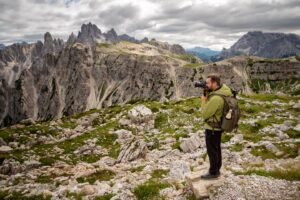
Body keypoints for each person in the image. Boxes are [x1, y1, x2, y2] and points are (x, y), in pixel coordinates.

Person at [200, 74, 233, 179]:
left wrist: (203, 101)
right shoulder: (223, 92)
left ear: (214, 83)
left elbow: (205, 114)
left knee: (212, 151)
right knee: (216, 148)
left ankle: (213, 172)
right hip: (218, 127)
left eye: (208, 83)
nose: (206, 84)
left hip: (212, 128)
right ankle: (217, 169)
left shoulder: (216, 98)